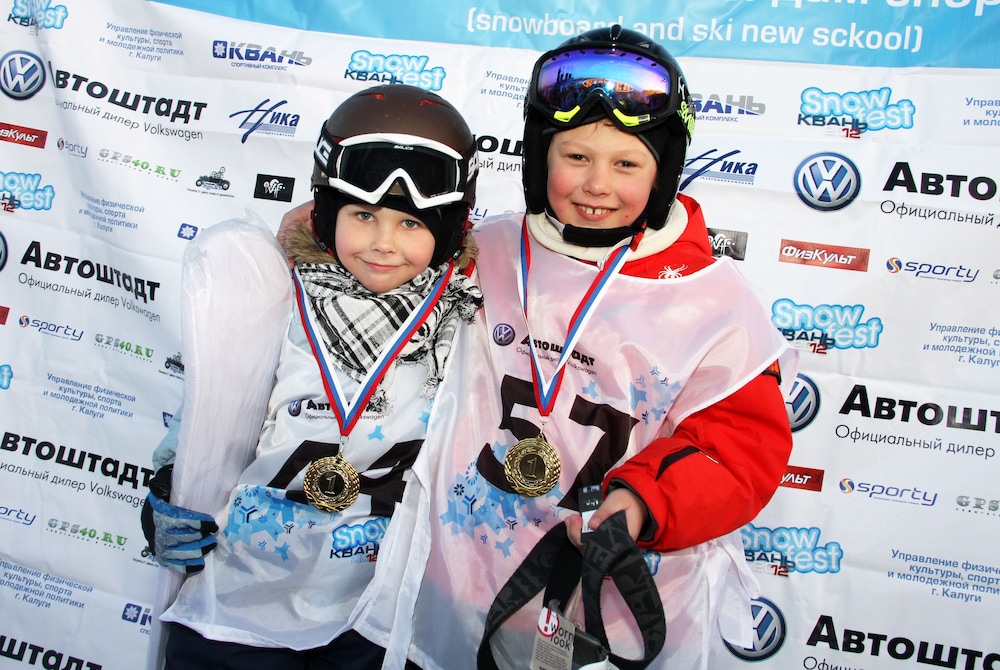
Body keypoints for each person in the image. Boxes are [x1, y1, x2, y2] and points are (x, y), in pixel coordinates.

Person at [332, 26, 799, 670]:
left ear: (664, 170)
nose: (596, 184)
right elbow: (383, 248)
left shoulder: (711, 303)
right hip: (463, 575)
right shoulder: (488, 249)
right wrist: (310, 229)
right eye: (575, 157)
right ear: (537, 158)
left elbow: (738, 450)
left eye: (626, 164)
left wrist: (644, 502)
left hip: (602, 604)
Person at [140, 83, 482, 669]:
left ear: (448, 231)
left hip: (373, 614)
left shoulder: (464, 318)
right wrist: (173, 484)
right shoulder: (279, 298)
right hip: (242, 596)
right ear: (326, 213)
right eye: (363, 215)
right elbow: (215, 411)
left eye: (411, 224)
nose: (383, 244)